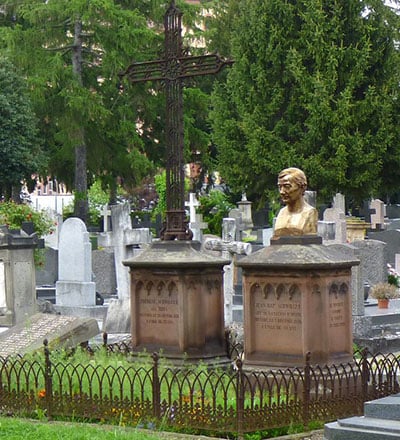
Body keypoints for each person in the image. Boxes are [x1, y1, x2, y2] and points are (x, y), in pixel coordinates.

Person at [273, 167, 318, 237]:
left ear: (302, 187)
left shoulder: (310, 213)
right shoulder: (281, 212)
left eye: (287, 186)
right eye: (280, 187)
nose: (282, 192)